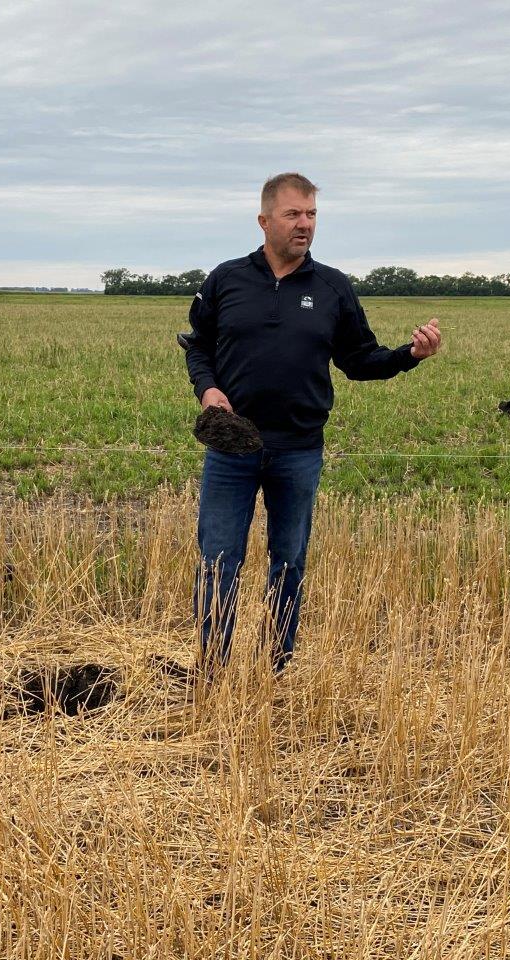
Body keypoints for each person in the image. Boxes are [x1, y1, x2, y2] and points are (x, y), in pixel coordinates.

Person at [182, 172, 441, 672]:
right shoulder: (226, 279)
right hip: (231, 447)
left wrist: (411, 355)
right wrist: (207, 389)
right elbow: (198, 346)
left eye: (312, 215)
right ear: (264, 221)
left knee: (288, 563)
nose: (305, 225)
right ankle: (212, 670)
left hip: (299, 448)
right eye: (293, 214)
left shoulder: (332, 288)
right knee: (218, 563)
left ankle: (274, 667)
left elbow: (361, 361)